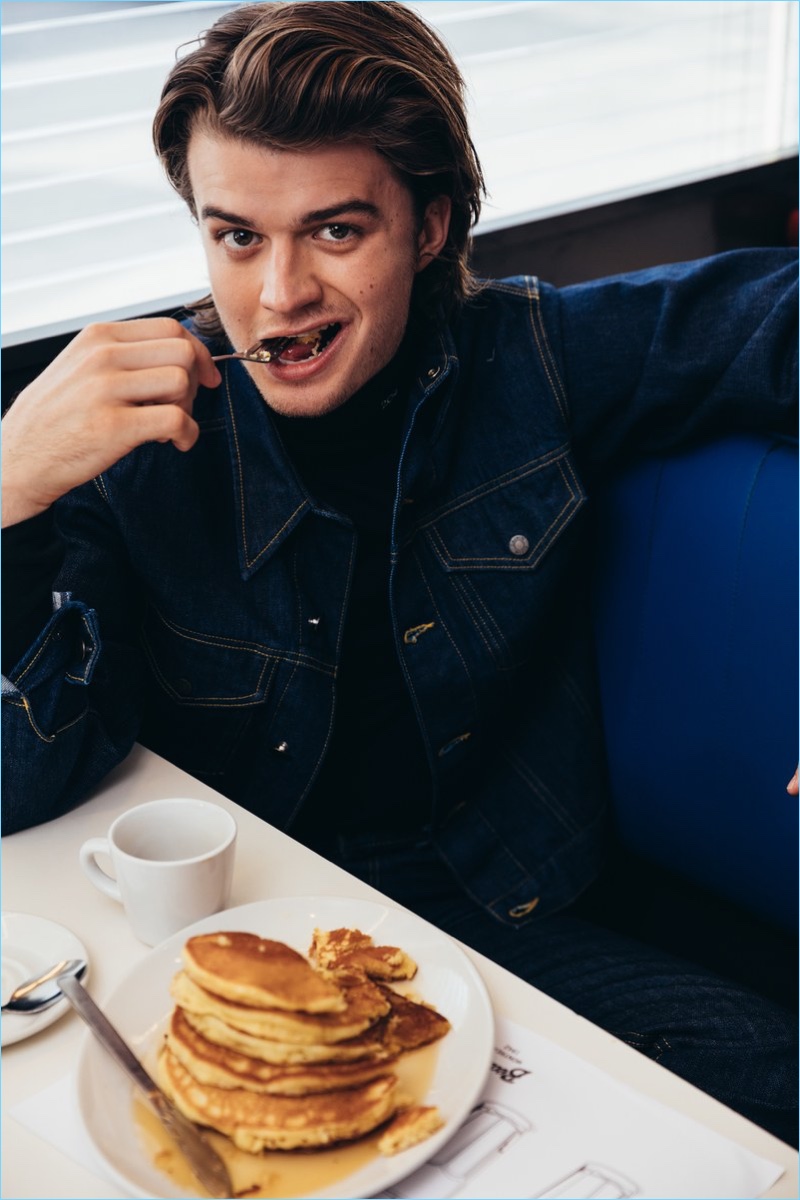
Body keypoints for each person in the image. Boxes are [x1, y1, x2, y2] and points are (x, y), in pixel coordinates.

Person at [2, 0, 797, 1144]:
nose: (277, 294)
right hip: (229, 941)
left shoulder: (536, 356)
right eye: (235, 236)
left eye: (333, 231)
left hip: (508, 911)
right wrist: (5, 498)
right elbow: (19, 792)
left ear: (427, 228)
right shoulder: (136, 446)